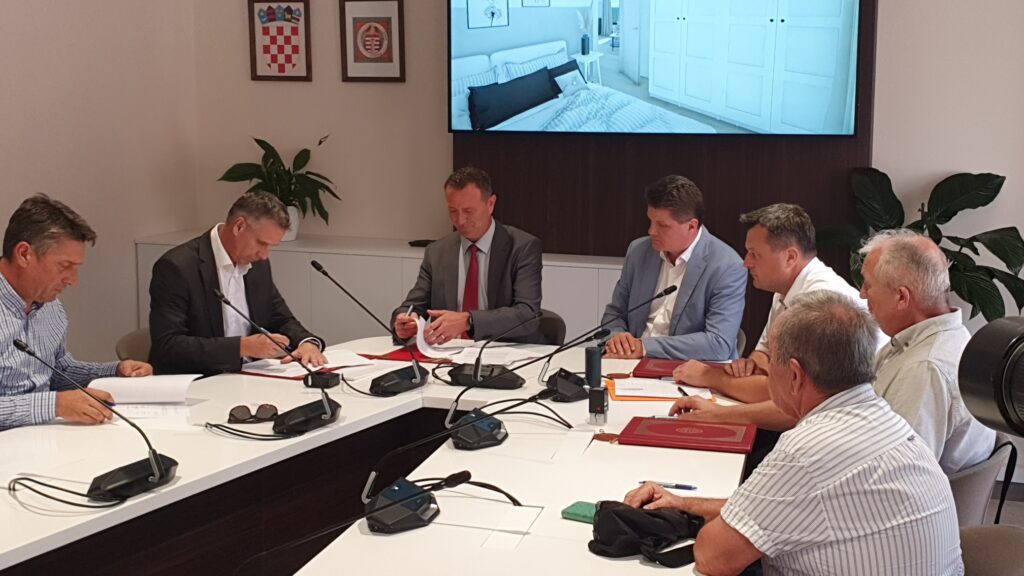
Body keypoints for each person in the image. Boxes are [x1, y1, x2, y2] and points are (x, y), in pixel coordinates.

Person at [624, 291, 963, 576]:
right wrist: (684, 504)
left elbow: (713, 558)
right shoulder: (886, 420)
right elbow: (778, 507)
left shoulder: (808, 449)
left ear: (796, 376)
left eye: (771, 363)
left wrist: (685, 524)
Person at [672, 231, 997, 474]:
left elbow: (895, 476)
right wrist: (719, 414)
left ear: (901, 297)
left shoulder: (924, 368)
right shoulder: (918, 342)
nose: (862, 295)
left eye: (868, 285)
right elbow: (823, 406)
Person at [673, 203, 864, 403]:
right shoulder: (784, 288)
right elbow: (763, 354)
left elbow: (787, 396)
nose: (746, 262)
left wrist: (711, 377)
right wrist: (751, 366)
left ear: (790, 257)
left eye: (755, 254)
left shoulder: (820, 302)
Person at [0, 195, 152, 430]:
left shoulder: (50, 305)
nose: (73, 280)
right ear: (24, 254)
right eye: (65, 266)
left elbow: (59, 370)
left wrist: (115, 371)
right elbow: (55, 401)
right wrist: (54, 405)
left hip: (43, 437)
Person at [149, 192, 327, 375]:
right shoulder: (177, 267)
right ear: (239, 227)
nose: (264, 255)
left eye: (271, 247)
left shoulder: (258, 265)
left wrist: (307, 343)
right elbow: (168, 345)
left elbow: (280, 317)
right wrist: (241, 347)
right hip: (197, 379)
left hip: (247, 376)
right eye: (261, 243)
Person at [600, 175, 747, 360]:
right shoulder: (638, 251)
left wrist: (645, 347)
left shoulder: (727, 266)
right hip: (630, 362)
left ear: (691, 226)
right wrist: (617, 337)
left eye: (662, 225)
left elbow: (718, 342)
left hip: (686, 367)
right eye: (650, 221)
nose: (651, 231)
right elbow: (615, 313)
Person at [392, 167, 543, 345]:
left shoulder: (522, 247)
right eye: (453, 211)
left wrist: (468, 320)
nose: (460, 220)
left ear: (491, 204)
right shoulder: (437, 252)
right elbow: (413, 306)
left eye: (468, 211)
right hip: (448, 352)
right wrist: (404, 323)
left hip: (503, 351)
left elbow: (528, 315)